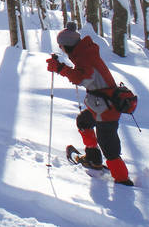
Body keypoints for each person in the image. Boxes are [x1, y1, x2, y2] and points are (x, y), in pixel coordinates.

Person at [46, 22, 134, 186]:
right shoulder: (83, 53)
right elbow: (82, 74)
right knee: (84, 121)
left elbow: (82, 78)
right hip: (99, 106)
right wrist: (62, 67)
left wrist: (60, 69)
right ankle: (93, 159)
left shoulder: (85, 57)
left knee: (108, 145)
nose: (61, 48)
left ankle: (123, 180)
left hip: (107, 108)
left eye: (61, 46)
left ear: (67, 45)